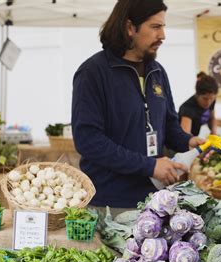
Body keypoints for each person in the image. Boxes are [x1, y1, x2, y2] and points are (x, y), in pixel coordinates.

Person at [71, 0, 204, 211]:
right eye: (155, 27)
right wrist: (150, 166)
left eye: (163, 27)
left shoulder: (157, 72)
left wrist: (190, 143)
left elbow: (169, 127)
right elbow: (88, 140)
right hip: (109, 204)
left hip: (153, 202)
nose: (163, 35)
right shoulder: (93, 73)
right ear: (129, 27)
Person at [178, 72, 219, 136]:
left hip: (194, 136)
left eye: (212, 99)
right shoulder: (188, 107)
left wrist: (214, 133)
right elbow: (185, 135)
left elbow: (212, 117)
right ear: (197, 95)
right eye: (205, 98)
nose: (208, 103)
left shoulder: (211, 100)